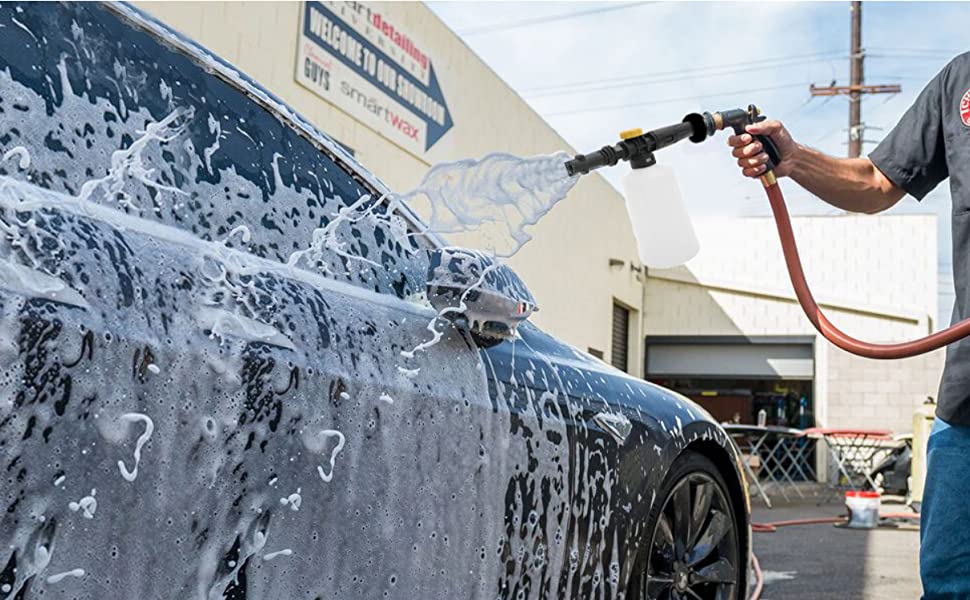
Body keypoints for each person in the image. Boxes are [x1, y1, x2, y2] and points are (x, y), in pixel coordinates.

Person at [727, 53, 970, 599]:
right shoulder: (962, 82)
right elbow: (876, 180)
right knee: (952, 584)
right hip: (969, 401)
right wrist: (792, 159)